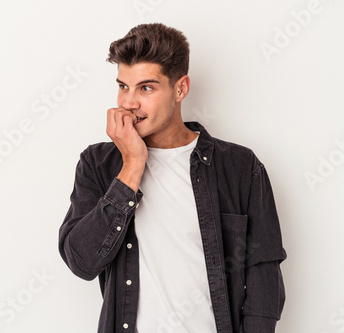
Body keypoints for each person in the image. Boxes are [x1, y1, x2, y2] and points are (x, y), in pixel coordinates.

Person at [58, 23, 287, 333]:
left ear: (180, 89)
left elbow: (263, 279)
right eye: (123, 86)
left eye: (146, 88)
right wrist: (132, 164)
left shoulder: (240, 167)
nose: (128, 102)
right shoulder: (98, 164)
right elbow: (82, 262)